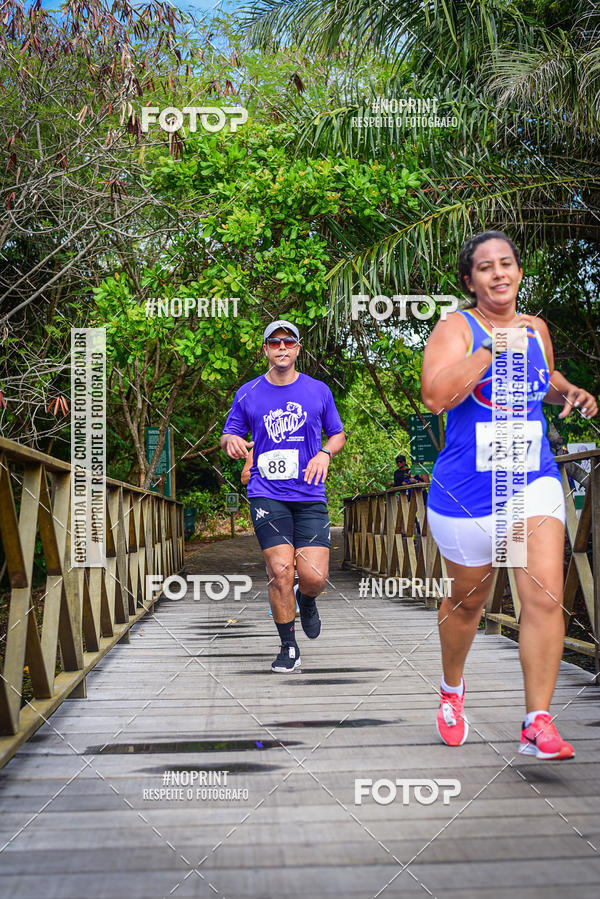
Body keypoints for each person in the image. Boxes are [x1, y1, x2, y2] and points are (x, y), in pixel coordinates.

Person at [421, 231, 597, 760]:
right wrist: (492, 349)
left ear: (518, 272)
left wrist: (568, 391)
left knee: (543, 593)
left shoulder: (536, 328)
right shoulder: (456, 328)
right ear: (470, 281)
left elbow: (540, 377)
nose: (498, 273)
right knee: (468, 602)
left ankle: (537, 721)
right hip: (466, 492)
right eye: (485, 268)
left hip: (532, 477)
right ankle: (452, 690)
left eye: (506, 264)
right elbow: (434, 396)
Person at [221, 320, 346, 672]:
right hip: (266, 492)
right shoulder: (248, 392)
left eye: (288, 342)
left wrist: (324, 454)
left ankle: (307, 600)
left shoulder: (318, 390)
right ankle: (288, 646)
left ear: (297, 349)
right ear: (265, 350)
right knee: (280, 571)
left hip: (308, 494)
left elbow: (337, 434)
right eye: (274, 343)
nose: (281, 348)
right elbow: (229, 433)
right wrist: (230, 441)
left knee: (314, 577)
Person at [241, 448, 300, 619]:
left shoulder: (300, 441)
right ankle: (277, 602)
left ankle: (298, 598)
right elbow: (245, 477)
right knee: (278, 561)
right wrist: (264, 469)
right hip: (270, 506)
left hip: (298, 502)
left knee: (300, 555)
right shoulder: (259, 447)